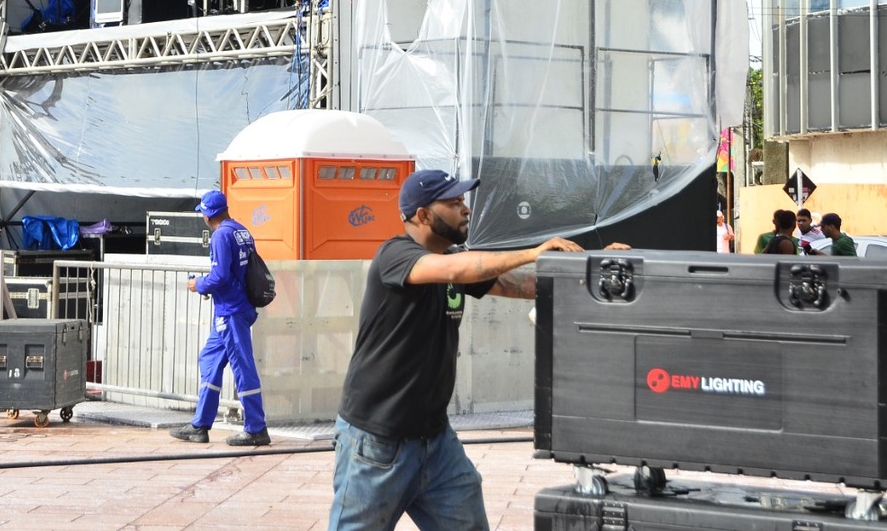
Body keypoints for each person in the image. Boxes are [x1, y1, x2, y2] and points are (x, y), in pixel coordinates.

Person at [329, 169, 608, 531]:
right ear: (423, 216)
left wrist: (596, 268)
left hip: (436, 443)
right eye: (454, 202)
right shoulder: (394, 255)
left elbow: (520, 285)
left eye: (464, 200)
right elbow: (455, 269)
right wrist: (532, 251)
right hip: (377, 444)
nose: (466, 209)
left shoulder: (456, 260)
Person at [169, 190, 270, 447]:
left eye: (202, 212)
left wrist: (198, 284)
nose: (201, 216)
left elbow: (221, 277)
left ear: (208, 214)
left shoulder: (220, 236)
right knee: (210, 360)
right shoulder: (240, 230)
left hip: (231, 311)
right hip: (234, 308)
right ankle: (200, 425)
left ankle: (256, 428)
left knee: (242, 367)